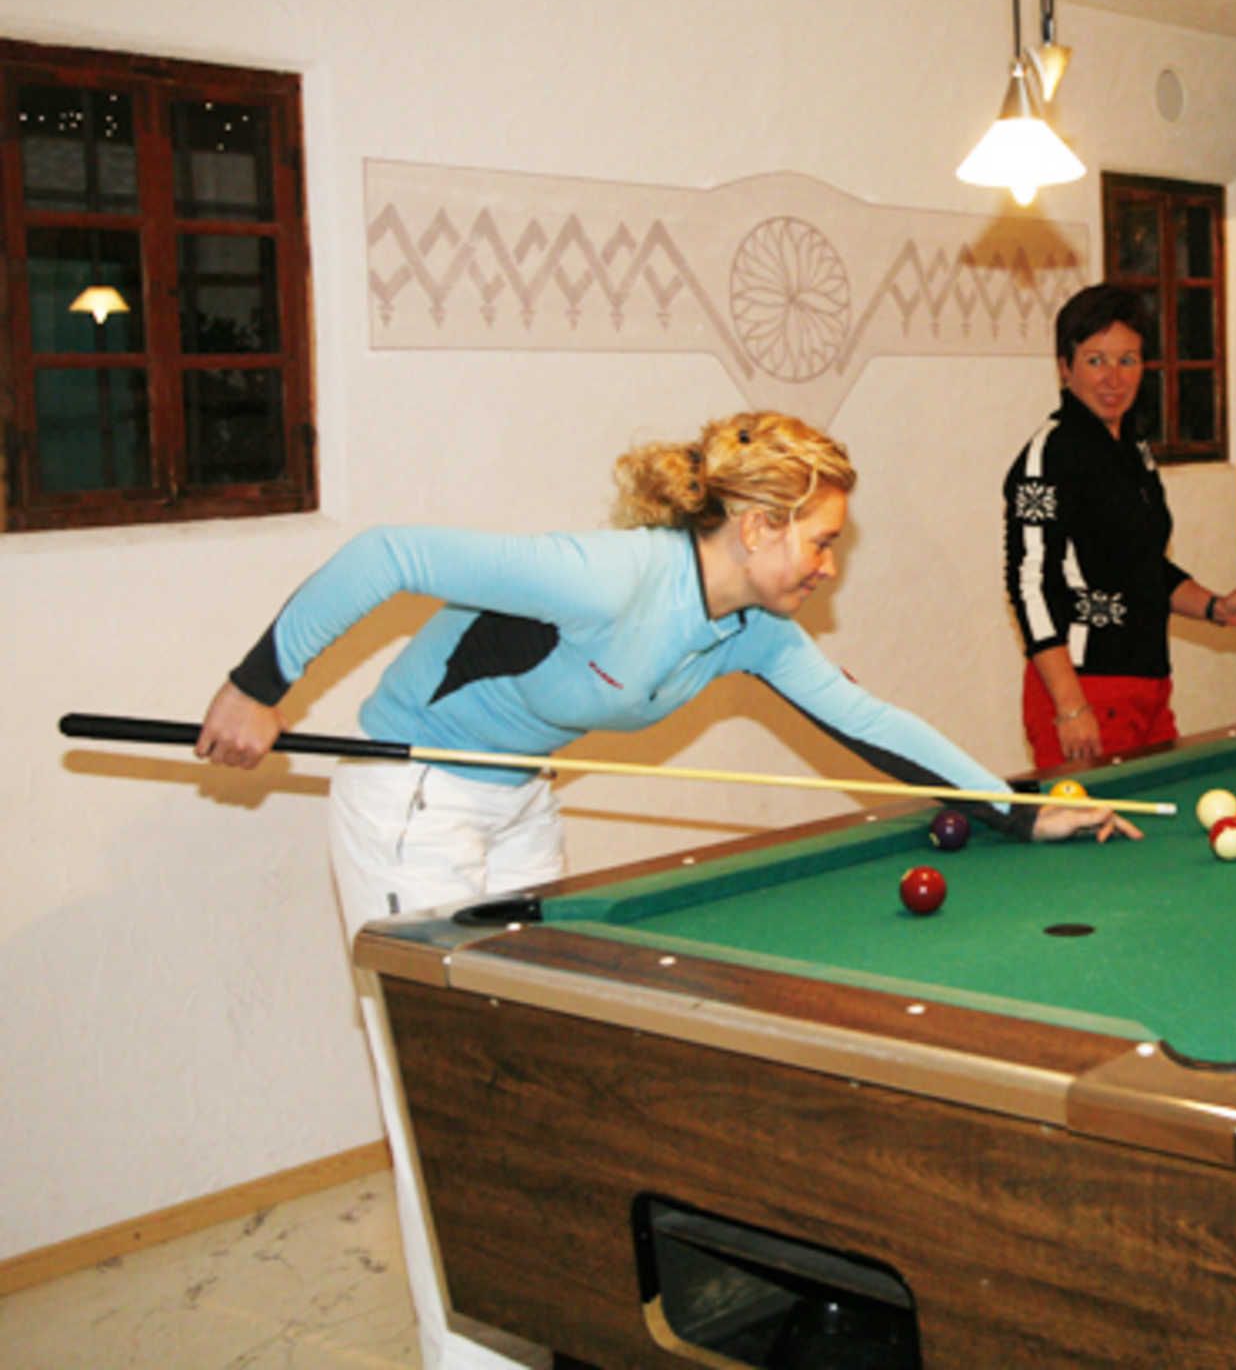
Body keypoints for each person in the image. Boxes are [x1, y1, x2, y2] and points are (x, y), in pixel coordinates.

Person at [194, 410, 1133, 1370]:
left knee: (533, 1075)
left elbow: (865, 719)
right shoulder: (613, 577)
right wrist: (257, 686)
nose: (828, 567)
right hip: (414, 801)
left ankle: (542, 1329)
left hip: (519, 802)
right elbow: (387, 555)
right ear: (757, 527)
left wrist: (1019, 813)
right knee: (437, 1091)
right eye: (820, 541)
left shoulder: (748, 630)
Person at [1003, 284, 1236, 772]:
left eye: (1127, 360)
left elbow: (1144, 567)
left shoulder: (1133, 449)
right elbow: (1029, 586)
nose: (1114, 378)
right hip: (1086, 691)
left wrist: (1215, 607)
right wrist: (1070, 706)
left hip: (1149, 687)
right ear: (1065, 367)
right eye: (1096, 360)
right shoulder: (1049, 456)